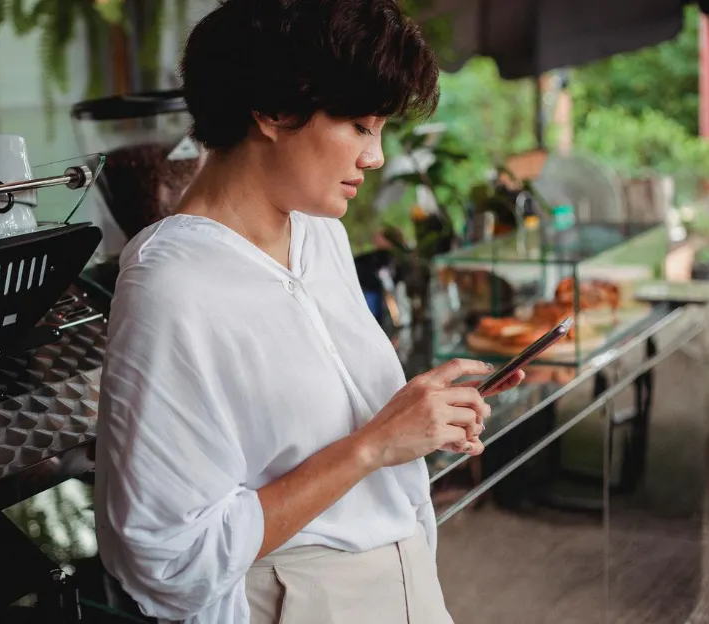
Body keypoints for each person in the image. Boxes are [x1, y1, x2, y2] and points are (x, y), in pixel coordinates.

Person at [94, 1, 525, 622]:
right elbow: (167, 559)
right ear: (273, 110)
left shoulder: (319, 231)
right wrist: (373, 446)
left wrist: (419, 415)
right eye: (359, 125)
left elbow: (325, 425)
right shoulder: (173, 283)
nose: (374, 156)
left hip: (407, 582)